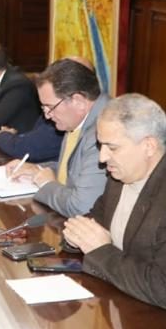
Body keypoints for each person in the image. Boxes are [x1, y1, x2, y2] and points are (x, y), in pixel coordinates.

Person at [62, 94, 166, 311]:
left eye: (112, 147)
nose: (102, 158)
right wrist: (75, 237)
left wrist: (100, 250)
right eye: (100, 145)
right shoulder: (122, 174)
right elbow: (95, 222)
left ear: (149, 146)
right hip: (127, 299)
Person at [6, 59, 108, 216]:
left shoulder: (103, 132)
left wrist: (46, 184)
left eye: (50, 107)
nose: (47, 116)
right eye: (43, 108)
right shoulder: (75, 118)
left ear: (78, 101)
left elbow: (82, 207)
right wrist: (37, 170)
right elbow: (75, 170)